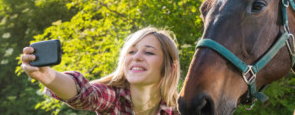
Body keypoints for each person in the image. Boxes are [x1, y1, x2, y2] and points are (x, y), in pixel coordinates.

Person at [20, 27, 181, 115]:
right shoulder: (113, 99)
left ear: (170, 68)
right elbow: (84, 94)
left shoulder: (181, 110)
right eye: (131, 52)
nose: (136, 57)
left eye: (149, 52)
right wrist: (48, 76)